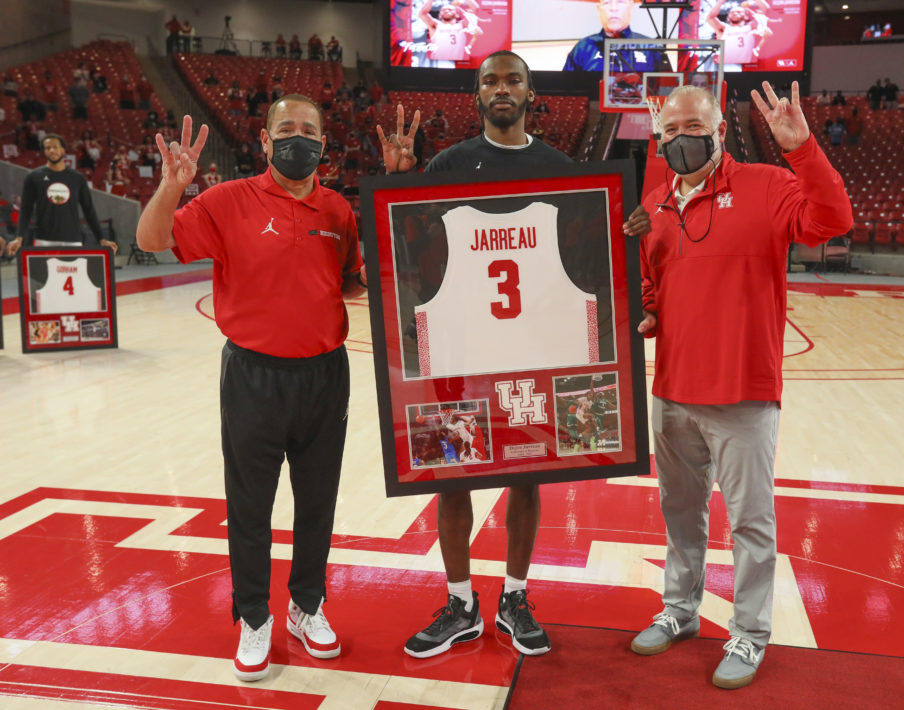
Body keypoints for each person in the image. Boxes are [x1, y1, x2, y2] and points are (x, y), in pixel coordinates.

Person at [376, 49, 651, 659]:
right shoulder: (447, 164)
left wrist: (625, 225)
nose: (502, 89)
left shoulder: (563, 169)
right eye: (490, 82)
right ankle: (460, 602)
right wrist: (398, 182)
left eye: (513, 80)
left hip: (531, 354)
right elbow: (411, 253)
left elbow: (588, 265)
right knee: (452, 479)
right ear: (476, 97)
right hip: (458, 349)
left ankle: (515, 596)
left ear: (531, 94)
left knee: (529, 475)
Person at [628, 82, 852, 689]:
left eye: (692, 128)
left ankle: (749, 635)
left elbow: (832, 220)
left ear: (719, 131)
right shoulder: (657, 204)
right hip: (672, 390)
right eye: (669, 131)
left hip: (744, 394)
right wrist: (648, 315)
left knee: (750, 523)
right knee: (680, 511)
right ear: (658, 135)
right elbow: (652, 286)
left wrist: (802, 149)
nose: (681, 140)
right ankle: (680, 610)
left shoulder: (769, 186)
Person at [135, 98, 366, 681]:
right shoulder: (227, 200)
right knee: (250, 505)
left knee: (318, 502)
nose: (297, 139)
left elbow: (353, 285)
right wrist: (172, 187)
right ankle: (254, 616)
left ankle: (306, 606)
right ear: (264, 141)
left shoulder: (339, 211)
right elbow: (150, 238)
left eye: (308, 131)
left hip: (324, 374)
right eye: (285, 130)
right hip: (252, 376)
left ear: (323, 142)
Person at [6, 134, 118, 256]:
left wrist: (101, 238)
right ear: (44, 151)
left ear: (63, 150)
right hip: (44, 240)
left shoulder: (77, 178)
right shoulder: (33, 177)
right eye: (48, 148)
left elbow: (89, 209)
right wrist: (19, 237)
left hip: (73, 240)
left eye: (55, 147)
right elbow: (26, 210)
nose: (52, 150)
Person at [564, 0, 671, 72]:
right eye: (607, 3)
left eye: (620, 2)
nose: (613, 8)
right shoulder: (583, 48)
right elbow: (567, 91)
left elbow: (667, 94)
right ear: (598, 10)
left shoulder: (651, 48)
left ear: (631, 8)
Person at [705, 0, 770, 70]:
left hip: (747, 67)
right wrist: (720, 2)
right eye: (732, 12)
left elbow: (765, 10)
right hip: (726, 67)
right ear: (728, 17)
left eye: (739, 12)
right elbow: (710, 18)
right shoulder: (723, 29)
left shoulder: (752, 27)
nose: (735, 13)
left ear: (746, 16)